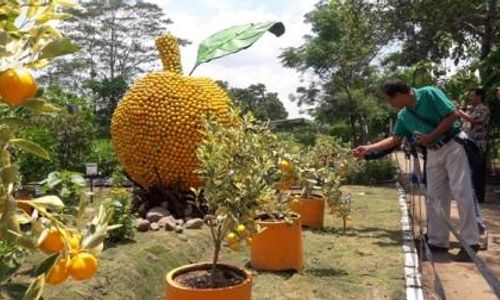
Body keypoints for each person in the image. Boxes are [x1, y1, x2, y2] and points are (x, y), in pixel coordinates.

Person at [353, 79, 480, 262]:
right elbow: (395, 139)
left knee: (462, 193)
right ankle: (438, 240)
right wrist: (368, 148)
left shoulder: (429, 93)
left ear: (399, 94)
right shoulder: (404, 115)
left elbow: (452, 115)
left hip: (453, 146)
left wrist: (431, 136)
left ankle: (470, 243)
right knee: (434, 196)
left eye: (390, 100)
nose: (390, 104)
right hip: (433, 151)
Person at [457, 88, 490, 203]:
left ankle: (479, 198)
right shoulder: (470, 109)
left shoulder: (484, 109)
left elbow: (473, 120)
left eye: (472, 96)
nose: (470, 98)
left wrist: (459, 111)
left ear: (479, 97)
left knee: (477, 172)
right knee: (468, 170)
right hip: (468, 144)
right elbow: (462, 122)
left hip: (479, 145)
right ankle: (470, 195)